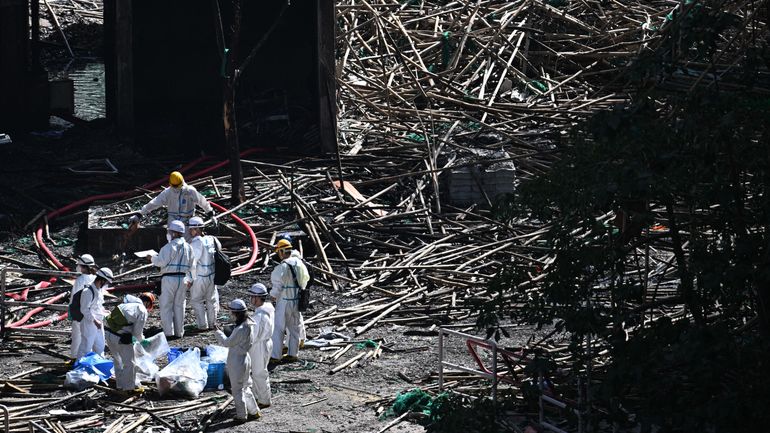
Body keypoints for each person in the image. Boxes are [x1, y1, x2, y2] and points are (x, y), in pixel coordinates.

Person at [215, 299, 260, 423]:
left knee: (237, 389)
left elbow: (227, 342)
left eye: (232, 313)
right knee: (245, 387)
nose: (231, 315)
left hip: (237, 361)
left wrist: (218, 332)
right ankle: (254, 411)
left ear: (236, 313)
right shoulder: (249, 323)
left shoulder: (240, 329)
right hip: (245, 358)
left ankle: (241, 415)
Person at [128, 171, 214, 235]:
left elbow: (202, 201)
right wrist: (140, 213)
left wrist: (210, 212)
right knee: (172, 244)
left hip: (187, 221)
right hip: (173, 221)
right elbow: (154, 203)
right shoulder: (168, 193)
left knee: (187, 245)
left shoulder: (190, 191)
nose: (176, 189)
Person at [150, 220, 193, 338]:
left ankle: (169, 332)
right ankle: (179, 332)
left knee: (166, 306)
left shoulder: (168, 247)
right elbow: (191, 265)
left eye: (169, 231)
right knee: (179, 306)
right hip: (183, 278)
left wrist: (151, 258)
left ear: (174, 233)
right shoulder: (189, 247)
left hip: (169, 279)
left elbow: (160, 262)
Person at [269, 239, 309, 365]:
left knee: (279, 328)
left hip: (284, 302)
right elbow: (305, 280)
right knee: (294, 328)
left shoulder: (282, 267)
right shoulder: (299, 263)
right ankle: (293, 354)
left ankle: (276, 355)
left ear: (281, 251)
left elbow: (277, 286)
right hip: (296, 301)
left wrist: (272, 296)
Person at [104, 293, 155, 392]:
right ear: (147, 302)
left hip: (109, 335)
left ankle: (119, 385)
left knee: (117, 360)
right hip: (121, 338)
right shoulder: (141, 310)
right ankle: (128, 389)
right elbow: (137, 332)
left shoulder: (126, 305)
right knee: (129, 363)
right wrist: (143, 341)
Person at [188, 216, 221, 330]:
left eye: (191, 229)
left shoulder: (196, 242)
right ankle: (213, 324)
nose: (189, 231)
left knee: (196, 300)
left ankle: (202, 325)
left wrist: (189, 279)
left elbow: (192, 262)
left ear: (196, 229)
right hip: (211, 276)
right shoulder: (212, 239)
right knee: (211, 300)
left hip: (200, 277)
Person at [248, 283, 274, 408]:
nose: (251, 299)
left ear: (257, 298)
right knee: (259, 371)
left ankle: (264, 399)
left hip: (259, 345)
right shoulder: (268, 308)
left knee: (259, 373)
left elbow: (253, 336)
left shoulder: (259, 316)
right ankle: (259, 396)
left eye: (252, 296)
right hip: (266, 343)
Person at [75, 267, 111, 359]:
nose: (107, 284)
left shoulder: (99, 290)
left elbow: (96, 306)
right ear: (102, 280)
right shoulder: (88, 291)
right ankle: (80, 367)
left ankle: (98, 366)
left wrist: (103, 311)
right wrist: (95, 321)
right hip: (89, 323)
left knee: (100, 346)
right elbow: (84, 309)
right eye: (106, 281)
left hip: (98, 322)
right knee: (86, 347)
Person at [70, 254, 97, 358]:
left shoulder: (80, 280)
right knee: (89, 337)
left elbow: (74, 298)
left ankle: (75, 358)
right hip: (92, 312)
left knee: (77, 336)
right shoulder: (95, 278)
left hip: (79, 312)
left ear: (83, 266)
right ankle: (87, 358)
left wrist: (71, 312)